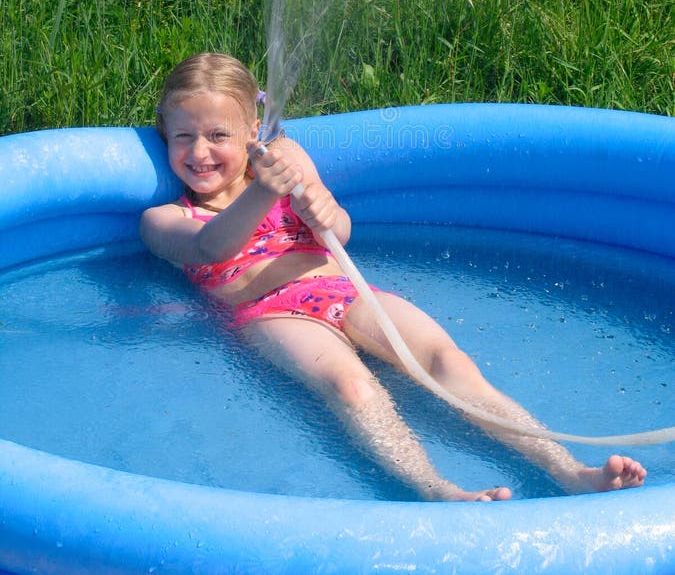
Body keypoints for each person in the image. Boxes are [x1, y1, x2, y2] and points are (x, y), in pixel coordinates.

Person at [140, 52, 647, 502]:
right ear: (167, 135)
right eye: (183, 136)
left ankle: (571, 471)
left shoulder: (285, 164)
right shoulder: (166, 219)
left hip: (344, 288)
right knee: (352, 387)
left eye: (218, 135)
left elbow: (341, 231)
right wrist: (264, 192)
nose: (199, 151)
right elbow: (210, 247)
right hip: (272, 312)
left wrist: (324, 208)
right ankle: (438, 489)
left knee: (449, 361)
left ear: (253, 130)